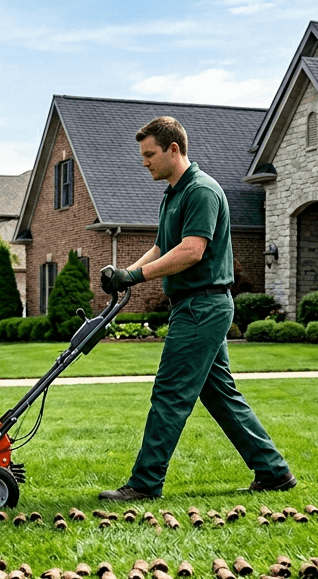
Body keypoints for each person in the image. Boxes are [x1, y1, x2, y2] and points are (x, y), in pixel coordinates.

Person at [98, 116, 295, 500]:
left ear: (174, 149)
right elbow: (162, 247)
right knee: (220, 394)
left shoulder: (201, 190)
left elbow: (192, 250)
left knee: (170, 392)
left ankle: (145, 482)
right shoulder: (174, 194)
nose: (144, 162)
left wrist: (135, 278)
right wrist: (125, 272)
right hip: (195, 305)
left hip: (202, 306)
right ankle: (273, 471)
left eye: (150, 154)